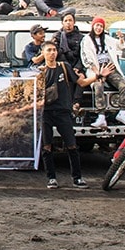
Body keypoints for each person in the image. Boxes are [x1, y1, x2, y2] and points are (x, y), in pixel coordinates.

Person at [38, 39, 90, 189]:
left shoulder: (64, 67)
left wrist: (99, 76)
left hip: (63, 112)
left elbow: (82, 83)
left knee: (72, 145)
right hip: (46, 112)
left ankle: (77, 178)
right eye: (49, 50)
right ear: (43, 53)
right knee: (47, 146)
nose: (52, 53)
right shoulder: (39, 72)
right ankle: (51, 178)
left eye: (54, 50)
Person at [79, 18, 125, 128]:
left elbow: (121, 46)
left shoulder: (107, 38)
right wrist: (99, 73)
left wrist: (121, 38)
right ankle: (101, 115)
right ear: (93, 26)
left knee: (124, 84)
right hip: (96, 69)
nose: (99, 28)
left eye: (101, 26)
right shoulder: (86, 40)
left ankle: (122, 111)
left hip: (109, 67)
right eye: (97, 25)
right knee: (98, 85)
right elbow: (86, 58)